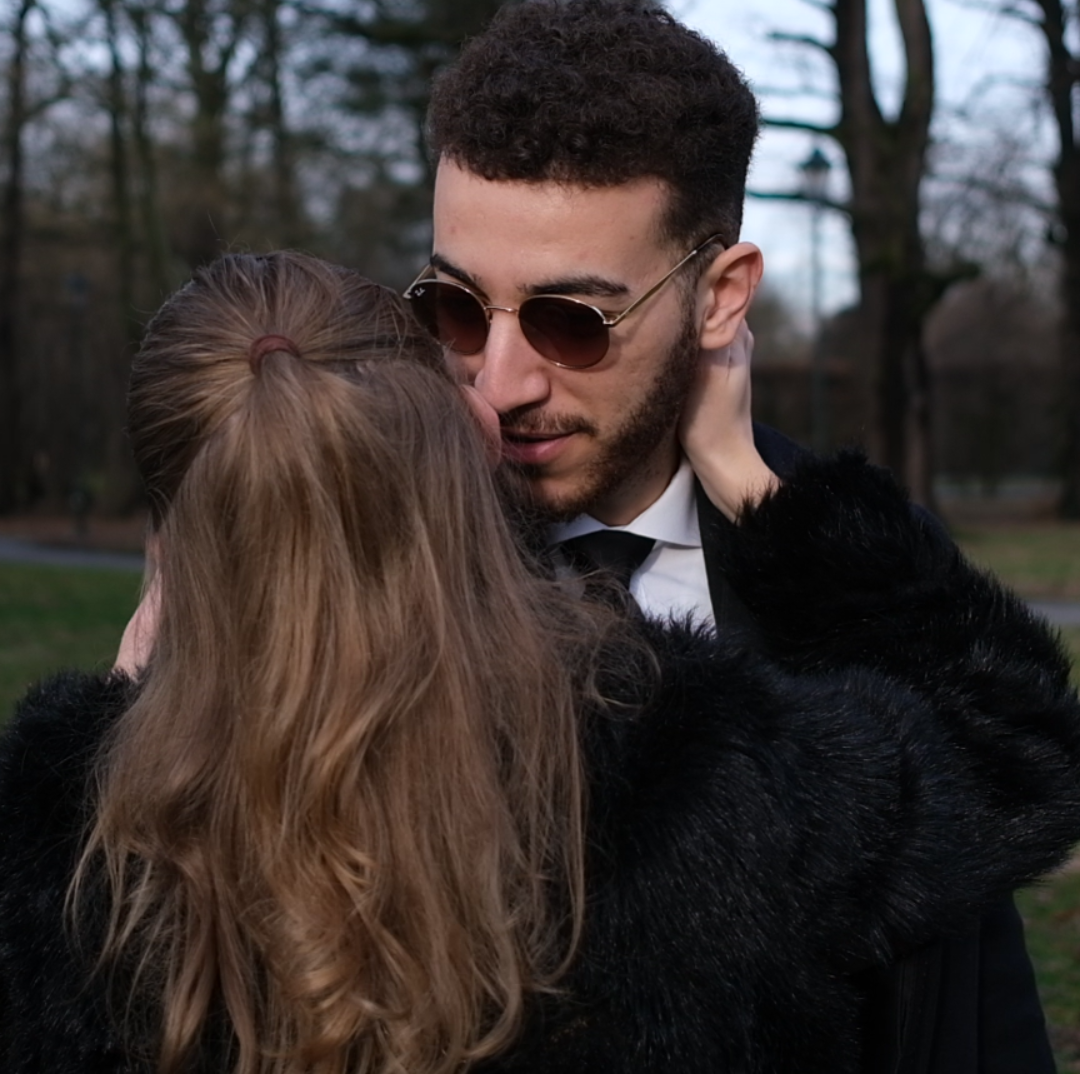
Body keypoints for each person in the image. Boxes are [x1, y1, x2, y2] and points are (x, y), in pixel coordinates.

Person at [2, 250, 1080, 1074]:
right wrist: (750, 477)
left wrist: (108, 720)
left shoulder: (65, 860)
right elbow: (1015, 741)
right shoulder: (684, 783)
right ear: (463, 442)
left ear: (172, 531)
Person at [405, 0, 1060, 1074]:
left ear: (720, 298)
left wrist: (765, 503)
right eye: (456, 307)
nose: (499, 381)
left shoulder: (860, 573)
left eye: (573, 321)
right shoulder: (370, 553)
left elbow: (968, 995)